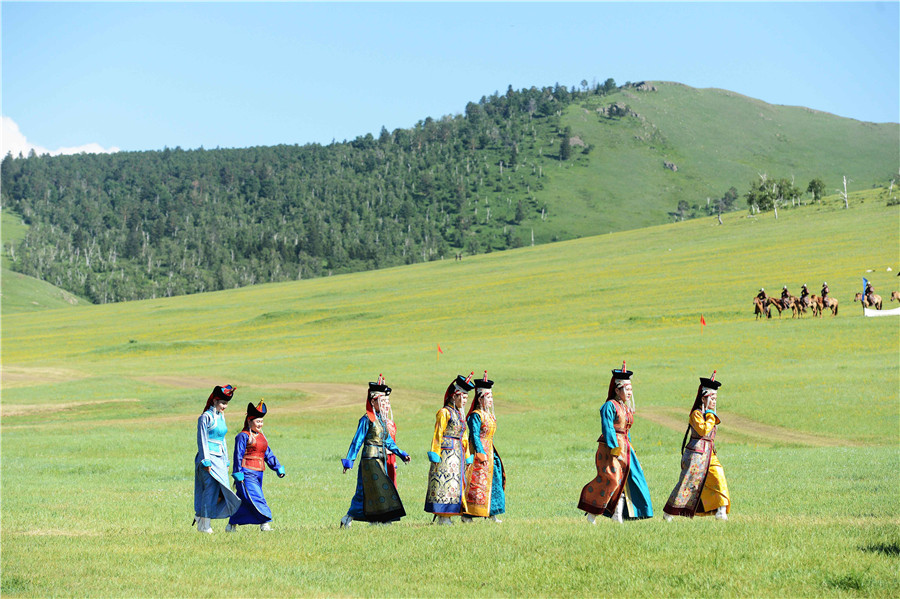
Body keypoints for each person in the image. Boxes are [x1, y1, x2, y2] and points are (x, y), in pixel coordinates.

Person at [578, 363, 653, 523]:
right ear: (617, 390)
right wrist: (614, 448)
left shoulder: (625, 408)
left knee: (628, 480)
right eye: (627, 389)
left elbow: (626, 431)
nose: (630, 392)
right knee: (612, 480)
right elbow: (608, 428)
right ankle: (592, 513)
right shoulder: (609, 406)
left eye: (631, 389)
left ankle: (618, 515)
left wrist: (630, 449)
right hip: (610, 449)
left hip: (626, 449)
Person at [340, 376, 411, 528]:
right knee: (373, 488)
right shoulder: (367, 419)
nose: (385, 404)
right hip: (370, 460)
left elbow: (388, 441)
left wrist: (402, 454)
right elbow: (357, 441)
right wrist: (349, 461)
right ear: (373, 402)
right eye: (382, 401)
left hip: (380, 459)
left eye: (386, 401)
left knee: (375, 490)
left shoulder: (381, 420)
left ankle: (371, 519)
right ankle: (371, 518)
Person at [662, 372, 730, 521]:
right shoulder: (696, 414)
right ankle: (669, 512)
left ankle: (721, 510)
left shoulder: (710, 414)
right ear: (703, 398)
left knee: (719, 476)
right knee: (687, 483)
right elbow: (703, 430)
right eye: (711, 398)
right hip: (696, 454)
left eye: (715, 398)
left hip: (710, 454)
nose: (714, 401)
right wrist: (711, 416)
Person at [226, 400, 285, 532]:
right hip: (247, 473)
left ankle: (231, 525)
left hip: (259, 473)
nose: (260, 424)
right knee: (257, 497)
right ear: (249, 421)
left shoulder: (262, 437)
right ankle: (265, 523)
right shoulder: (243, 436)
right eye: (257, 421)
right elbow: (238, 455)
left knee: (245, 500)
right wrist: (238, 473)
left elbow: (268, 454)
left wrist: (277, 467)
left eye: (261, 421)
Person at [425, 374, 475, 525]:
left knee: (455, 485)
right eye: (463, 397)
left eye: (466, 398)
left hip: (458, 455)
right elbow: (438, 434)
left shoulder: (460, 415)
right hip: (445, 455)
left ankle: (450, 515)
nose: (465, 401)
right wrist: (435, 453)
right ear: (454, 396)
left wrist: (467, 456)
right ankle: (443, 516)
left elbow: (464, 437)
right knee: (445, 485)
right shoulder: (444, 412)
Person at [194, 385, 241, 533]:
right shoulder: (205, 417)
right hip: (208, 458)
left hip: (220, 459)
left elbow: (223, 440)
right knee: (210, 489)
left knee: (221, 490)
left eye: (226, 404)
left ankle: (200, 518)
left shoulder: (221, 417)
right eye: (222, 403)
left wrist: (226, 460)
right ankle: (205, 524)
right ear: (214, 401)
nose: (224, 406)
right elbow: (202, 439)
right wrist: (205, 460)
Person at [461, 372, 506, 523]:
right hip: (478, 453)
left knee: (494, 481)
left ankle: (492, 513)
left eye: (492, 397)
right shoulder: (476, 415)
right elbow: (474, 435)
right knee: (476, 484)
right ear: (480, 399)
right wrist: (480, 453)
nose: (491, 400)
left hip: (491, 452)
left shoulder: (490, 415)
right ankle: (468, 514)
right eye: (488, 397)